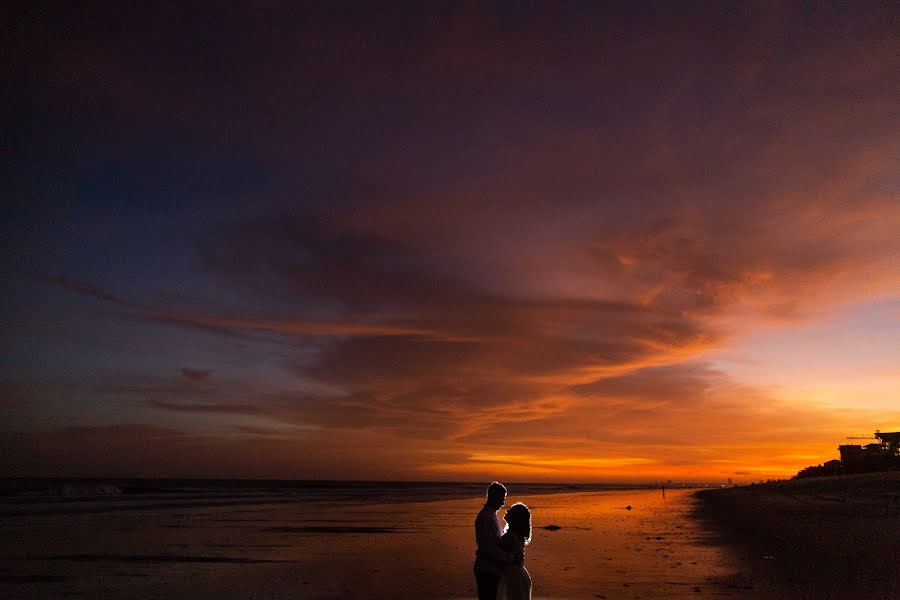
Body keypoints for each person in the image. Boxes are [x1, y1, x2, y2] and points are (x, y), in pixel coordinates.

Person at [473, 482, 520, 600]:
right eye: (501, 498)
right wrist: (506, 557)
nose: (503, 502)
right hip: (486, 568)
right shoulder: (486, 517)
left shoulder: (492, 516)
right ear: (493, 496)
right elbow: (487, 546)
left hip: (491, 567)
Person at [497, 502, 532, 600]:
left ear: (516, 518)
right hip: (517, 575)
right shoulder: (516, 535)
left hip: (514, 577)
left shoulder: (510, 537)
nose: (507, 511)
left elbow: (495, 552)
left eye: (511, 511)